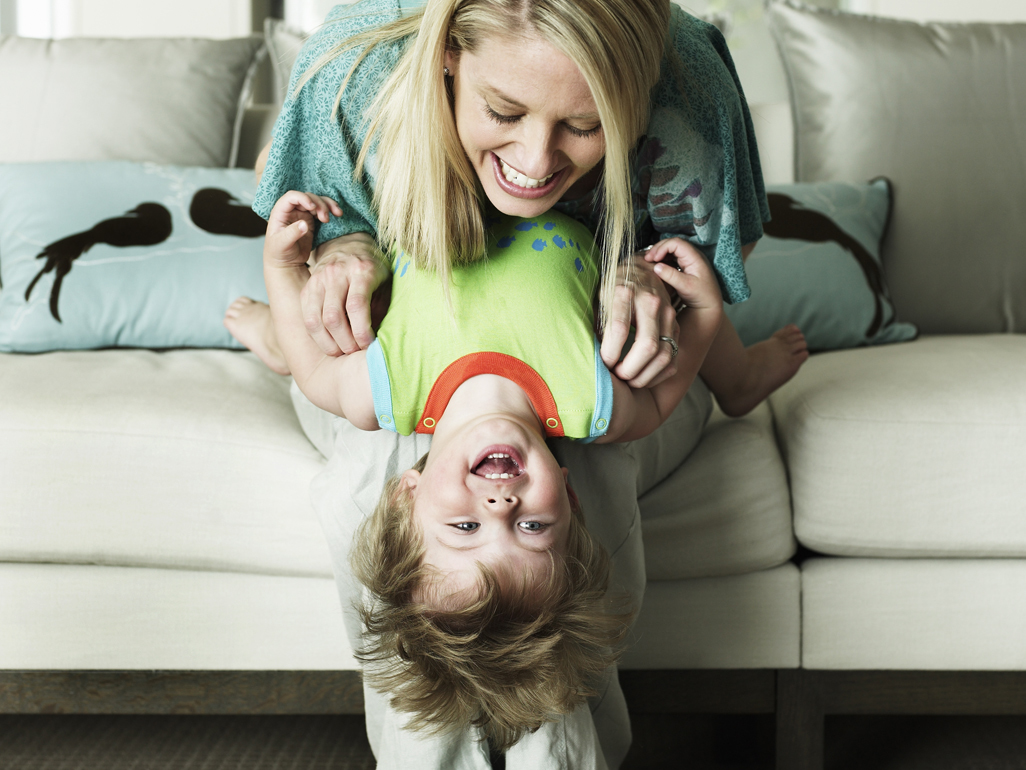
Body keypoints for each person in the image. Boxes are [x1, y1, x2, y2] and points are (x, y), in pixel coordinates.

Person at [226, 1, 804, 767]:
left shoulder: (686, 88)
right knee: (381, 465)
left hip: (515, 376)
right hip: (399, 349)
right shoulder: (354, 71)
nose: (538, 158)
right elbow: (316, 341)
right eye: (504, 110)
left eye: (587, 124)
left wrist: (647, 282)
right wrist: (343, 248)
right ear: (448, 61)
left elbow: (694, 297)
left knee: (571, 481)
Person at [260, 190, 724, 753]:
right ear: (572, 503)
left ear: (405, 495)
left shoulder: (381, 392)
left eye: (464, 530)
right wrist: (705, 312)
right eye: (532, 529)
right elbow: (654, 408)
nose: (501, 510)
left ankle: (270, 338)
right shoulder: (594, 404)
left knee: (304, 342)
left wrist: (283, 265)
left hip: (440, 205)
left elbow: (314, 372)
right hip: (552, 201)